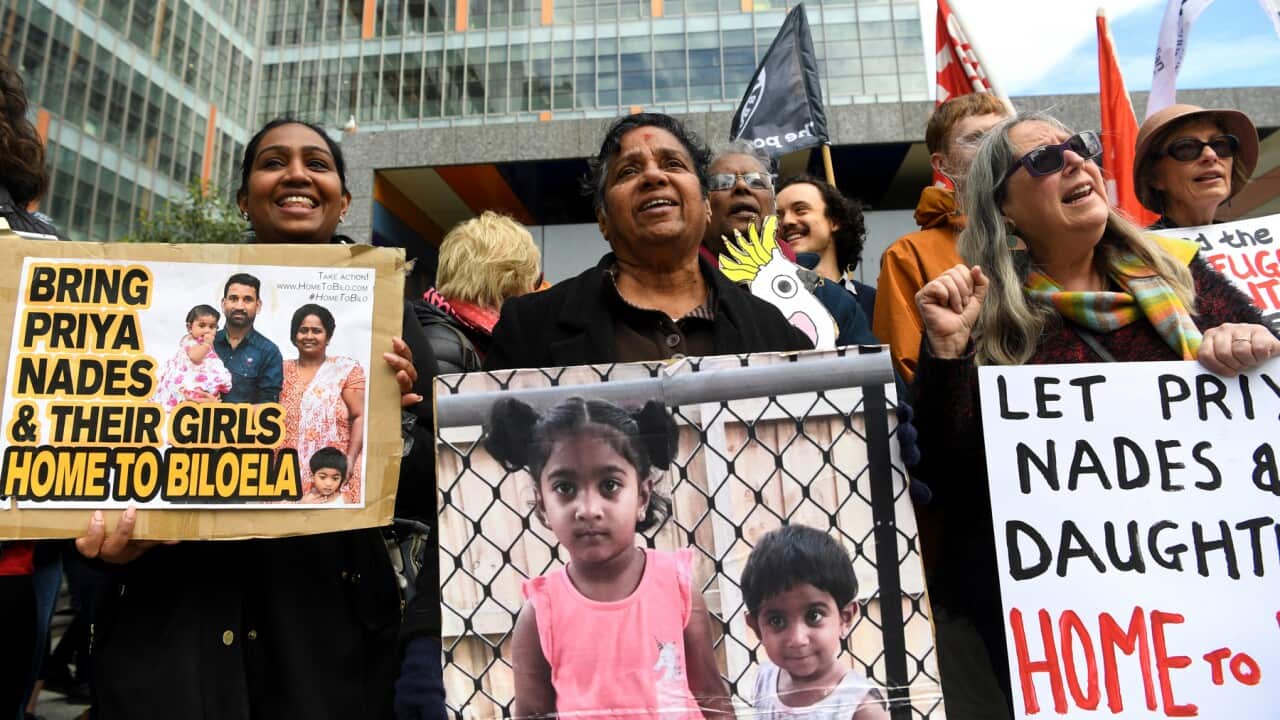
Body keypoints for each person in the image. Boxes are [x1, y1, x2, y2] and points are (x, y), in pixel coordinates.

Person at [911, 112, 1280, 712]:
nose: (1077, 161)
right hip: (1082, 648)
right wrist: (948, 355)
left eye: (1078, 146)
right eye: (1044, 160)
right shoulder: (984, 324)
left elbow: (1264, 409)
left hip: (1216, 624)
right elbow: (945, 486)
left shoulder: (1186, 280)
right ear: (1003, 208)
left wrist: (1249, 344)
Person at [76, 117, 431, 720]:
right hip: (175, 625)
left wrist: (397, 437)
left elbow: (428, 491)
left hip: (322, 631)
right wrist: (103, 537)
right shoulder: (169, 305)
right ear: (244, 198)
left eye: (317, 164)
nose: (296, 173)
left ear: (344, 199)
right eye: (274, 162)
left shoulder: (389, 314)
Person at [484, 112, 812, 370]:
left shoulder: (777, 333)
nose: (655, 177)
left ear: (707, 206)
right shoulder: (528, 328)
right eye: (628, 171)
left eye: (673, 164)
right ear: (603, 219)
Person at [484, 396, 735, 718]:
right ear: (543, 504)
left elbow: (712, 697)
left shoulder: (676, 585)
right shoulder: (540, 613)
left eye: (609, 485)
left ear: (642, 495)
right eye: (565, 488)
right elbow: (532, 712)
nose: (589, 509)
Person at [394, 211, 541, 720]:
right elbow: (435, 458)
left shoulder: (457, 333)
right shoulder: (446, 346)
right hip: (442, 568)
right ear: (510, 277)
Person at [874, 93, 1011, 383]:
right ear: (942, 163)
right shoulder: (909, 254)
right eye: (976, 138)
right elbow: (904, 371)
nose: (993, 146)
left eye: (1002, 134)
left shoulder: (1051, 229)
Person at [704, 144, 875, 349]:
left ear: (771, 203)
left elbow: (872, 378)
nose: (742, 187)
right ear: (701, 203)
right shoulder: (677, 296)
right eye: (722, 182)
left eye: (757, 181)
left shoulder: (831, 300)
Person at [741, 525, 890, 720]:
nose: (797, 639)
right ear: (756, 628)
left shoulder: (860, 706)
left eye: (814, 616)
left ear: (845, 618)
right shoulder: (765, 679)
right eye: (777, 621)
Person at [414, 210, 542, 371]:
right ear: (510, 281)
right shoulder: (445, 347)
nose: (533, 291)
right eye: (535, 281)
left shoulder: (466, 337)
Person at [281, 303, 366, 501]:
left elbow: (359, 416)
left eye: (316, 331)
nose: (309, 336)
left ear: (328, 337)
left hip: (332, 472)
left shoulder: (346, 369)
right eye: (303, 330)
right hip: (287, 471)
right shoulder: (279, 370)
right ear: (294, 335)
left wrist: (350, 460)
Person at [1134, 103, 1260, 230]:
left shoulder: (1257, 243)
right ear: (1154, 177)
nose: (1211, 155)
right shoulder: (1136, 249)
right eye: (1186, 148)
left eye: (1220, 144)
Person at [775, 175, 876, 324]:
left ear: (834, 221)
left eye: (800, 210)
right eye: (778, 215)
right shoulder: (766, 304)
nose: (786, 221)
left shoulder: (875, 302)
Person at [210, 273, 285, 404]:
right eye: (233, 298)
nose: (240, 306)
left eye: (247, 299)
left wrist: (218, 409)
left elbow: (269, 408)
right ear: (223, 304)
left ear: (258, 305)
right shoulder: (205, 344)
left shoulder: (269, 352)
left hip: (246, 425)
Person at [150, 304, 234, 410]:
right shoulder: (191, 342)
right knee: (191, 387)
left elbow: (210, 357)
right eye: (202, 326)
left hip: (202, 372)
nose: (207, 330)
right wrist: (207, 344)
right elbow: (195, 357)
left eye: (212, 327)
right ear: (190, 327)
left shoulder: (205, 342)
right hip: (190, 375)